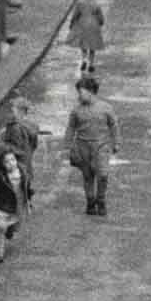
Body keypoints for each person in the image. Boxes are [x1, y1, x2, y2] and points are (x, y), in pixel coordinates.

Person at [62, 72, 119, 217]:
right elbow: (70, 128)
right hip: (82, 147)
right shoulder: (76, 110)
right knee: (87, 176)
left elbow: (113, 125)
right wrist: (67, 147)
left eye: (80, 92)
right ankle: (90, 202)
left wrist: (116, 142)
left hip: (101, 146)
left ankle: (101, 200)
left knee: (103, 174)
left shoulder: (106, 108)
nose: (79, 96)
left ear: (90, 91)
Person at [0, 145, 31, 263]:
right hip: (3, 205)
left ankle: (11, 229)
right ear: (1, 164)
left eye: (13, 159)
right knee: (1, 228)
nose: (11, 163)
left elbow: (27, 186)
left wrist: (29, 199)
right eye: (7, 161)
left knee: (16, 225)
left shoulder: (22, 170)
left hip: (19, 203)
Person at [0, 95, 40, 208]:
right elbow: (35, 143)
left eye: (13, 110)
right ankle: (27, 200)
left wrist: (4, 142)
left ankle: (18, 202)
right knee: (26, 177)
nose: (11, 113)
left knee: (14, 179)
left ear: (20, 112)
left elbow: (15, 145)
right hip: (27, 157)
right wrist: (29, 151)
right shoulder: (31, 126)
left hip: (17, 158)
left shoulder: (15, 128)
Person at [68, 0, 105, 74]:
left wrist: (72, 23)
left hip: (83, 24)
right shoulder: (96, 4)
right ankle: (91, 64)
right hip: (93, 25)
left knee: (83, 43)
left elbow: (75, 15)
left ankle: (84, 59)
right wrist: (100, 22)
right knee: (92, 45)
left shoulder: (80, 3)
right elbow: (100, 17)